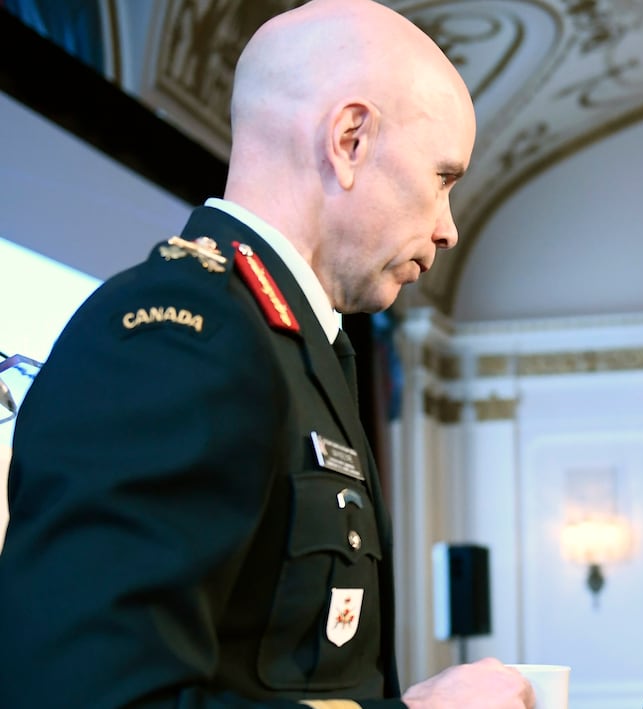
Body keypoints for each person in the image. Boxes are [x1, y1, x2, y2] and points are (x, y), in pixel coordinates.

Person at [0, 1, 532, 707]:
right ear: (349, 139)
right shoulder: (180, 338)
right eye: (442, 178)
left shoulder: (298, 344)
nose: (449, 229)